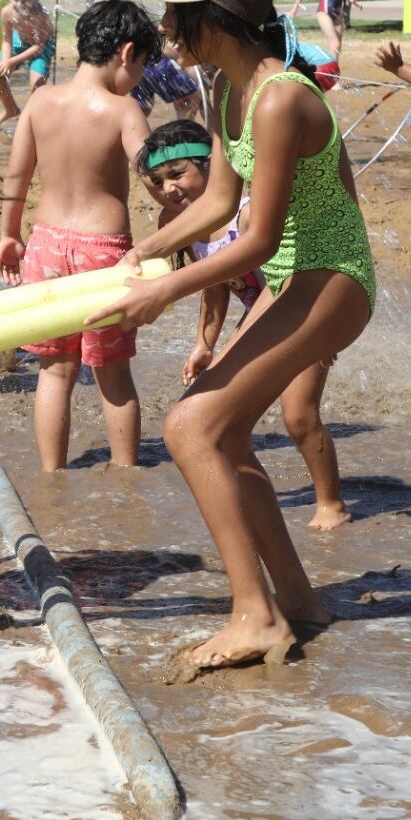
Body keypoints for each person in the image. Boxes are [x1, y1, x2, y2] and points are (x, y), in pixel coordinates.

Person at [107, 0, 376, 676]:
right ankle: (298, 599)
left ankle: (254, 616)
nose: (164, 24)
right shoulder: (227, 88)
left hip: (333, 277)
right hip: (296, 278)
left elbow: (254, 238)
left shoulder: (280, 96)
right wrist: (149, 250)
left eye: (175, 12)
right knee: (220, 433)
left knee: (189, 426)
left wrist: (169, 287)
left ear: (214, 19)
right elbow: (221, 202)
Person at [136, 118, 350, 530]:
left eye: (178, 174)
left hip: (302, 310)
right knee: (225, 421)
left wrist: (325, 332)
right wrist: (203, 342)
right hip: (258, 323)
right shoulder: (175, 226)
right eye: (159, 182)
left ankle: (331, 502)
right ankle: (243, 500)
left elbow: (291, 275)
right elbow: (213, 287)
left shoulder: (248, 215)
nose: (170, 189)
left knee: (299, 416)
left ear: (214, 167)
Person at [0, 0, 157, 471]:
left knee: (55, 370)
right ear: (126, 53)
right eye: (143, 65)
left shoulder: (42, 100)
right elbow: (152, 171)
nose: (141, 77)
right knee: (113, 374)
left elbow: (16, 178)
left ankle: (52, 475)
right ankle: (127, 475)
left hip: (44, 245)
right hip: (102, 254)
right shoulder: (124, 109)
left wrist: (9, 235)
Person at [0, 0, 56, 129]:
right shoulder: (7, 12)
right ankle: (11, 109)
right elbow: (6, 41)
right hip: (20, 41)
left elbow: (38, 47)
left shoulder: (41, 17)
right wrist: (5, 61)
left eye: (24, 1)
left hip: (41, 46)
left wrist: (13, 61)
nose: (19, 5)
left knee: (37, 87)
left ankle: (31, 119)